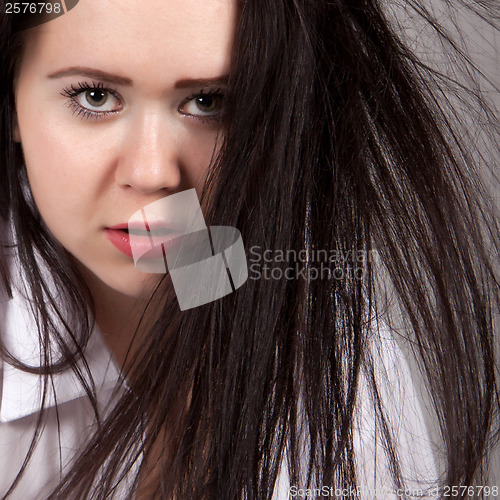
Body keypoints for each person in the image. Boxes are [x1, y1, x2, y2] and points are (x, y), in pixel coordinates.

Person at [0, 0, 498, 498]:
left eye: (208, 103)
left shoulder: (340, 357)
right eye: (95, 96)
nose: (154, 174)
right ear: (11, 101)